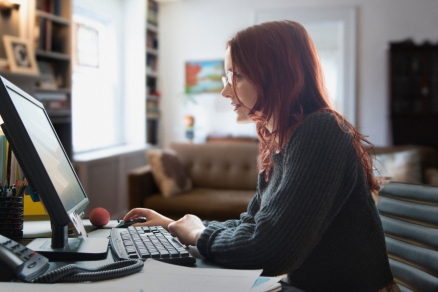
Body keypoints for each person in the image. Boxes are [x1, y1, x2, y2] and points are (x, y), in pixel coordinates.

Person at [123, 20, 398, 292]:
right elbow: (253, 225)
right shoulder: (281, 141)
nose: (225, 90)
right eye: (226, 77)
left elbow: (270, 251)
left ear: (275, 75)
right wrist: (176, 226)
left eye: (237, 76)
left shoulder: (320, 130)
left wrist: (198, 233)